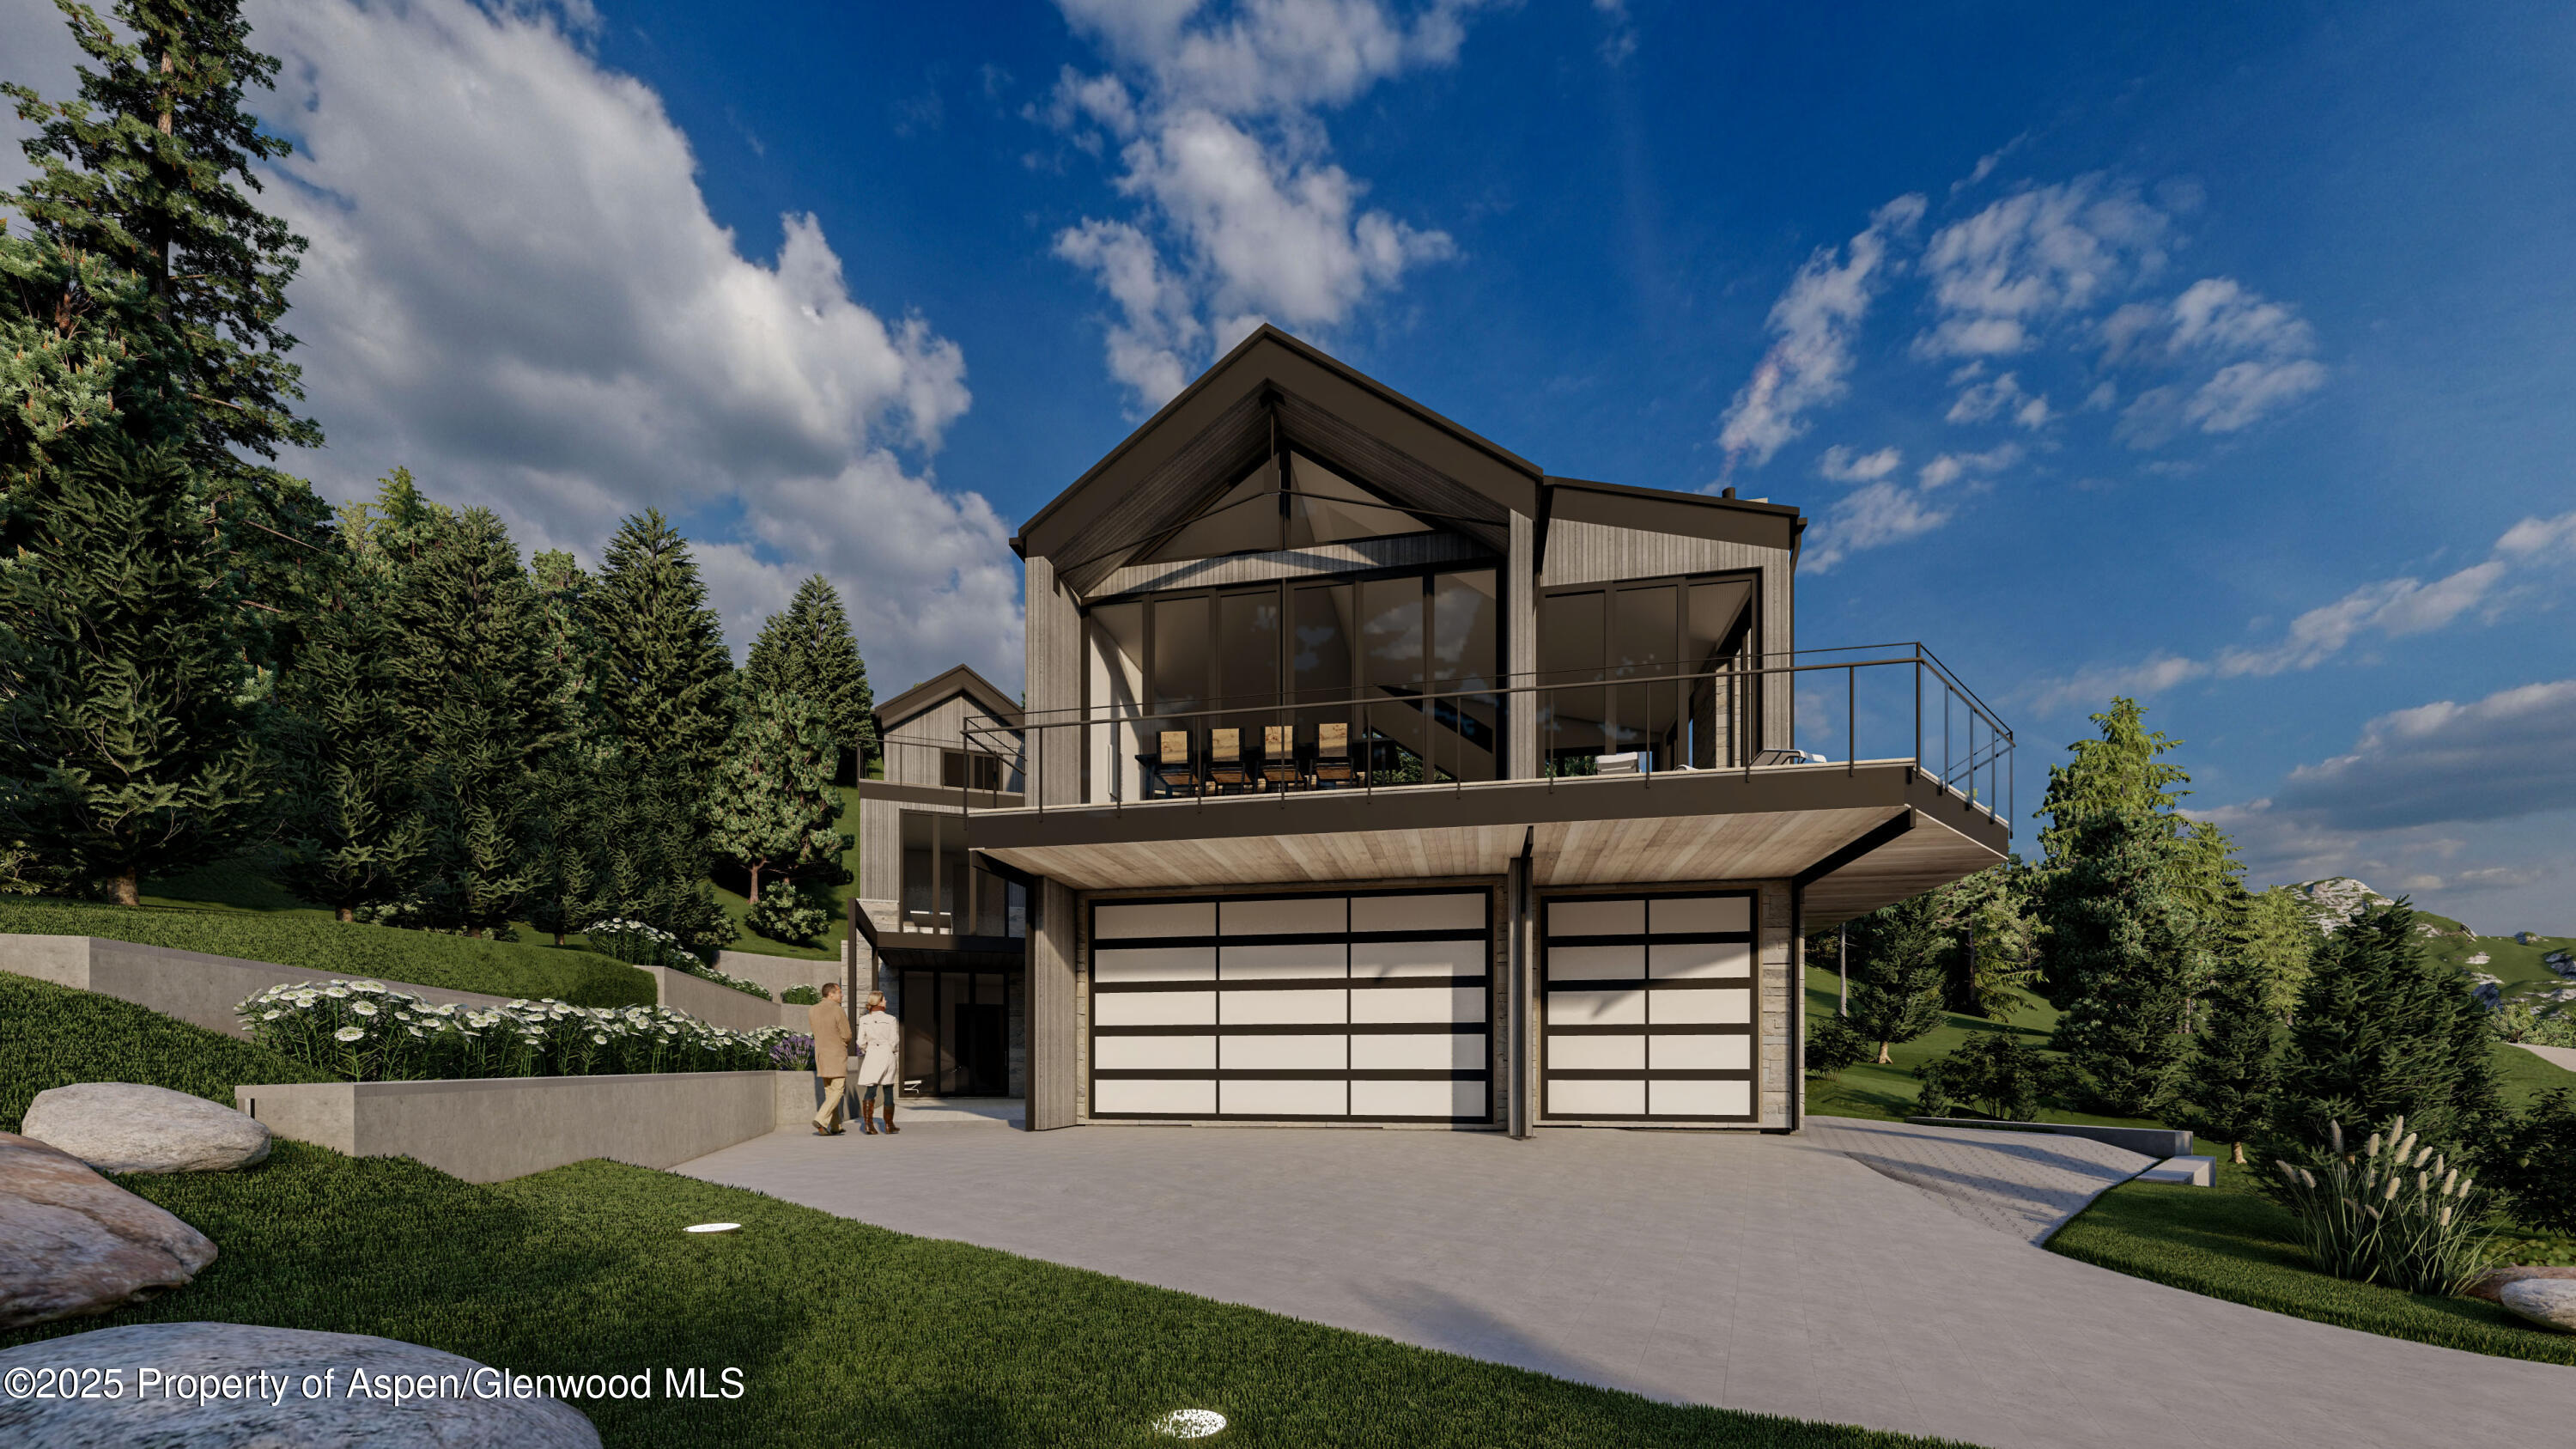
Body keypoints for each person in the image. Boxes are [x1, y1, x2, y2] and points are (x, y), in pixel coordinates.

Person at [807, 981, 855, 1136]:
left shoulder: (813, 1009)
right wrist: (843, 1043)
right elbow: (847, 1034)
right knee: (838, 1090)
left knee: (830, 1091)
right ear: (831, 994)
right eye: (839, 992)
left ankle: (835, 1126)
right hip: (836, 1053)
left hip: (821, 1054)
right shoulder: (837, 1009)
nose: (842, 995)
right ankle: (821, 1119)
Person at [853, 990, 902, 1135]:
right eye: (884, 999)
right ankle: (889, 1125)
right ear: (879, 1002)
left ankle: (868, 1126)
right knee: (888, 1088)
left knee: (871, 1089)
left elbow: (860, 1041)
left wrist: (869, 1050)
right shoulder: (891, 1019)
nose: (886, 1001)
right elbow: (894, 1041)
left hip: (872, 1054)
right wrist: (891, 1051)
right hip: (887, 1053)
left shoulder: (864, 1020)